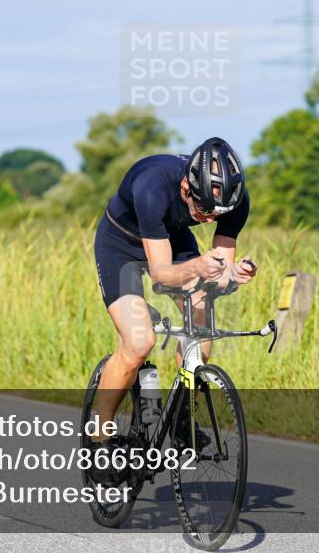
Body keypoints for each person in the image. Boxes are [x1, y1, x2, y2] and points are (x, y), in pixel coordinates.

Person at [88, 137, 258, 480]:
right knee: (139, 343)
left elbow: (218, 278)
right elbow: (162, 274)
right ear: (186, 185)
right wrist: (198, 267)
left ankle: (182, 419)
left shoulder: (234, 202)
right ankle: (99, 440)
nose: (210, 220)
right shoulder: (152, 185)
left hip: (174, 238)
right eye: (205, 211)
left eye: (218, 214)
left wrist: (233, 276)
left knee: (201, 317)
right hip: (121, 244)